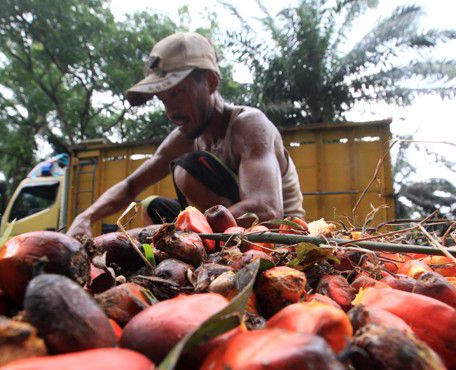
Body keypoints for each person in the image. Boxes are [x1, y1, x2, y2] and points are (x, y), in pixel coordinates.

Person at [67, 32, 304, 238]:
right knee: (152, 207)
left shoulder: (249, 125)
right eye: (163, 99)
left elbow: (266, 210)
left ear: (210, 82)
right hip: (219, 233)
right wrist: (85, 218)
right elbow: (130, 187)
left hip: (274, 237)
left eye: (178, 94)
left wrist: (173, 234)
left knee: (187, 168)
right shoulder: (185, 138)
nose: (171, 112)